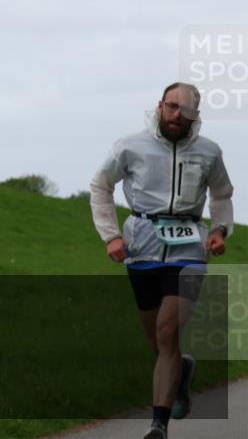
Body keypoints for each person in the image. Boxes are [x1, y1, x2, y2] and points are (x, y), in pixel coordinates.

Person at [89, 83, 234, 439]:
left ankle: (158, 425)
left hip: (189, 249)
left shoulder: (209, 152)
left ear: (195, 116)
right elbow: (100, 186)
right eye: (171, 107)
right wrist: (111, 235)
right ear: (160, 105)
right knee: (158, 342)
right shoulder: (129, 146)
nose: (175, 116)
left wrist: (219, 230)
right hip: (142, 247)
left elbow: (221, 194)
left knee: (168, 334)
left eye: (184, 112)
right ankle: (182, 371)